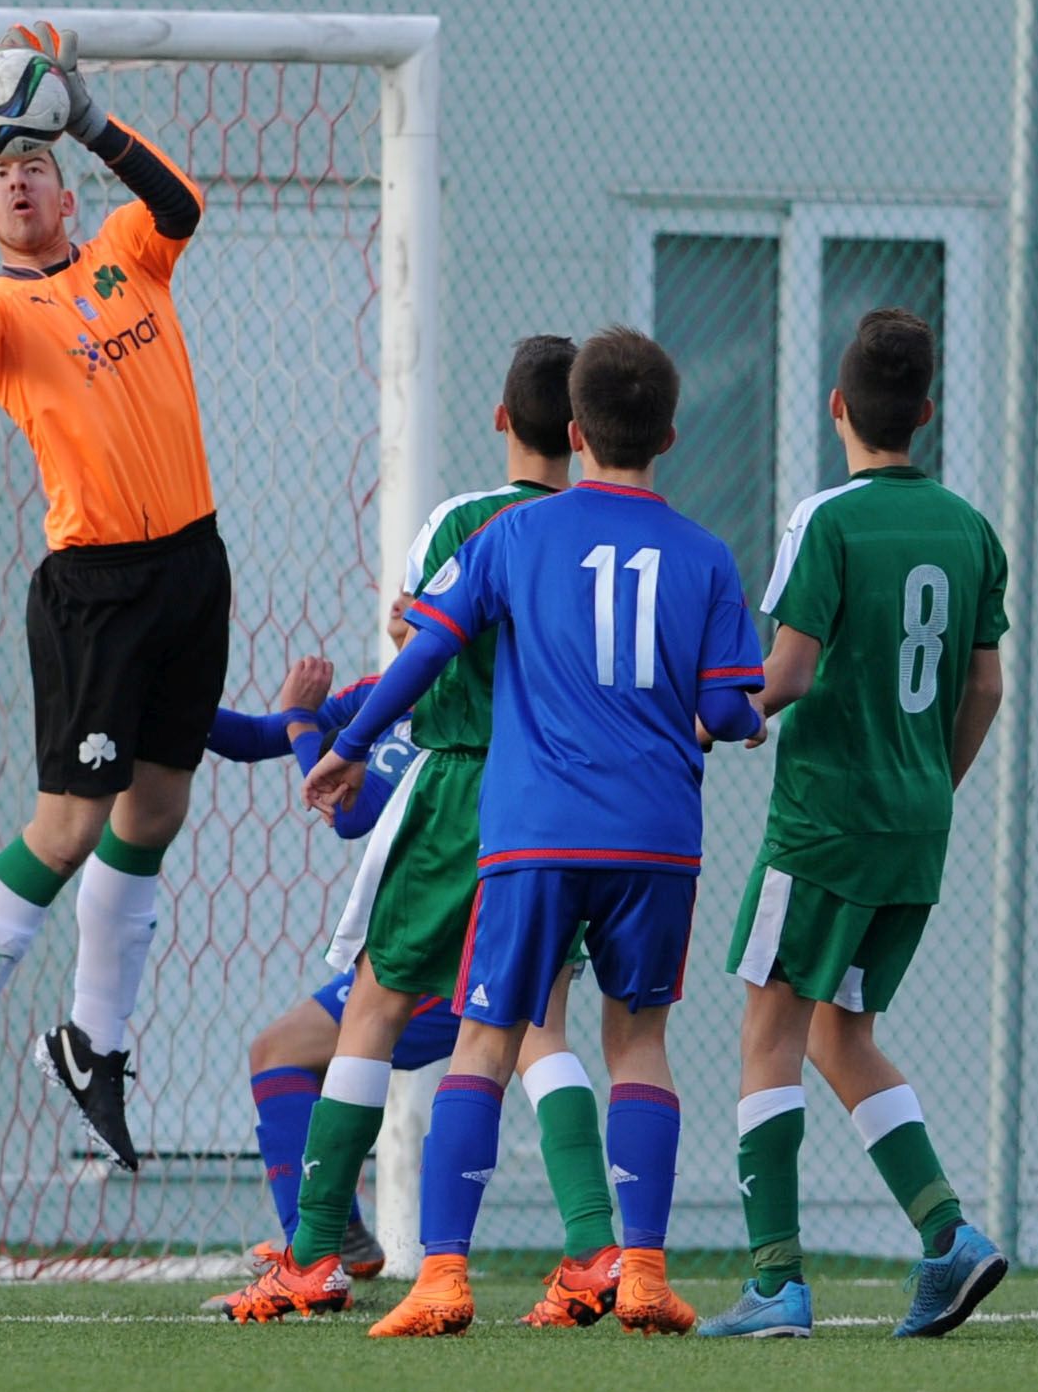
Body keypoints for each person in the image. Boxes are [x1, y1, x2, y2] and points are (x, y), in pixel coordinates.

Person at [306, 326, 765, 1339]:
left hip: (534, 835)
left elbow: (426, 649)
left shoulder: (513, 537)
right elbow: (728, 709)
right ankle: (643, 1273)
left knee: (485, 1038)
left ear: (575, 431)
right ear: (670, 435)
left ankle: (442, 1277)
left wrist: (351, 741)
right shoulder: (704, 555)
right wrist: (738, 717)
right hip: (656, 837)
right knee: (636, 1040)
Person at [0, 22, 227, 1175]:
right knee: (71, 824)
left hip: (193, 566)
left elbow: (180, 203)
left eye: (31, 163)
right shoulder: (1, 319)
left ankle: (94, 1042)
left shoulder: (128, 253)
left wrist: (88, 117)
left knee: (155, 810)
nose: (18, 181)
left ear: (65, 186)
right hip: (96, 589)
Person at [217, 337, 603, 1325]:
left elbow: (432, 646)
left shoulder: (462, 520)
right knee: (541, 1031)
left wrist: (348, 724)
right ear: (580, 430)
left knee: (373, 1009)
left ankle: (313, 1252)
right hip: (564, 800)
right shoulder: (600, 534)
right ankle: (596, 1248)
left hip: (464, 784)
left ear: (501, 418)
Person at [699, 308, 1009, 1341]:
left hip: (824, 819)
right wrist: (932, 782)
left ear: (837, 407)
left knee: (769, 1029)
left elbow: (785, 672)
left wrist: (712, 718)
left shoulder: (824, 519)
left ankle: (775, 1281)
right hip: (917, 823)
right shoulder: (970, 529)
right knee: (842, 1030)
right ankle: (948, 1235)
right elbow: (983, 686)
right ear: (925, 413)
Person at [206, 629, 443, 1285]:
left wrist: (301, 721)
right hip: (420, 937)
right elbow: (259, 736)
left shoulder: (450, 698)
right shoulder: (378, 694)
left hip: (450, 942)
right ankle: (329, 1235)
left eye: (419, 590)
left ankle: (313, 1256)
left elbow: (348, 808)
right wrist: (165, 698)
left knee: (535, 1059)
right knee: (279, 1049)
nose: (400, 602)